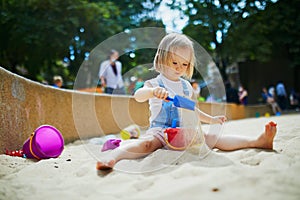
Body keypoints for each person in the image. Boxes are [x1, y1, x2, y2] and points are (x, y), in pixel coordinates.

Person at [96, 33, 277, 170]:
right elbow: (138, 96)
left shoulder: (186, 87)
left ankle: (257, 142)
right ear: (162, 59)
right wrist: (152, 92)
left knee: (212, 138)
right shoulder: (154, 83)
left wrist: (211, 120)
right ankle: (115, 156)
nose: (179, 68)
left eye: (184, 64)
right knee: (146, 144)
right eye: (175, 63)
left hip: (183, 132)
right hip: (160, 132)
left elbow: (193, 110)